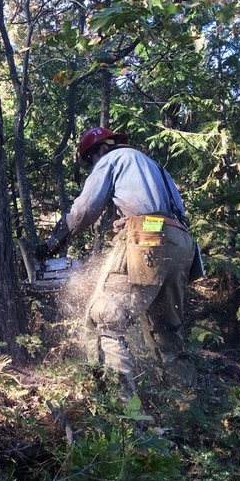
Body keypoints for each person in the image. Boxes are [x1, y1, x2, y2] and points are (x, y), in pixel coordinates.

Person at [36, 126, 197, 398]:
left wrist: (55, 241)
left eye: (90, 161)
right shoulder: (156, 168)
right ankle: (184, 404)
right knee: (166, 329)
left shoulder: (112, 159)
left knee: (103, 318)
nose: (92, 166)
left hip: (147, 237)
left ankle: (119, 410)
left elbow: (85, 209)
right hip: (182, 244)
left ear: (100, 149)